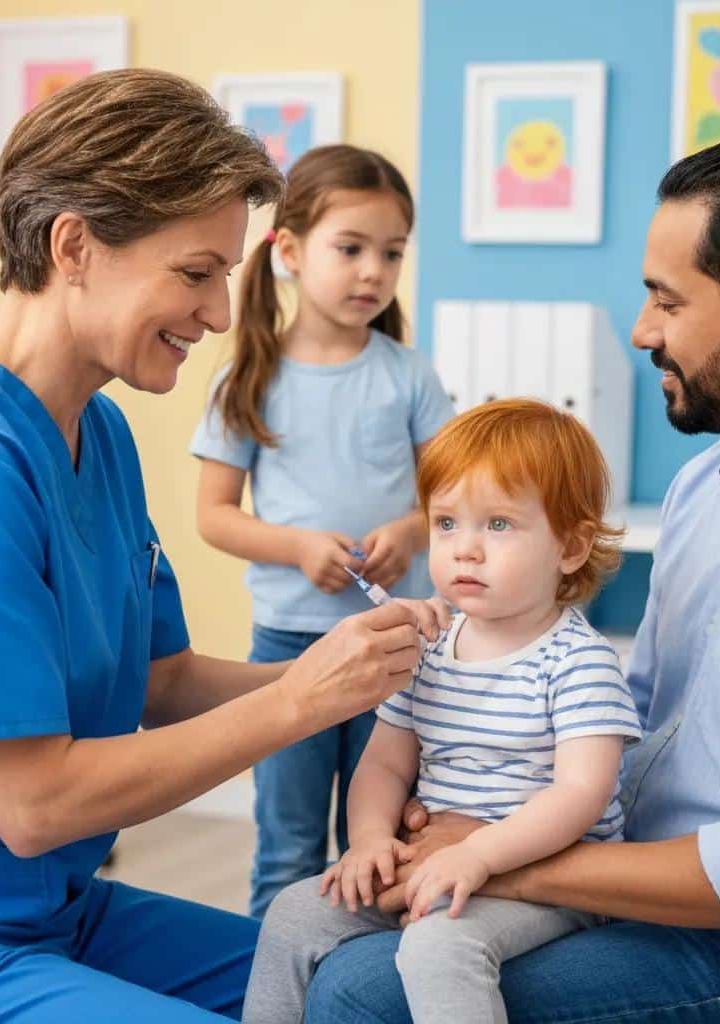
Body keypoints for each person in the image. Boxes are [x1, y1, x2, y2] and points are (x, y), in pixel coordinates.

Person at [0, 70, 431, 1024]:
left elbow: (161, 680)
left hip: (49, 908)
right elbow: (33, 805)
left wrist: (363, 675)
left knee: (371, 989)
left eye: (224, 277)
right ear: (74, 245)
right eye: (195, 273)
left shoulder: (98, 428)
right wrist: (299, 700)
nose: (218, 315)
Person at [302, 133, 720, 1023]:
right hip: (628, 879)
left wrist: (504, 857)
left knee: (362, 993)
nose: (642, 331)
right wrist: (476, 818)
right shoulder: (702, 489)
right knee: (324, 935)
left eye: (666, 299)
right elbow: (632, 729)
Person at [242, 399, 642, 1024]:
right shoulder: (427, 650)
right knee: (295, 913)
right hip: (437, 861)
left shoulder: (579, 662)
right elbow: (384, 765)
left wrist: (479, 855)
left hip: (549, 881)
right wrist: (370, 840)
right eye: (447, 523)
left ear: (570, 547)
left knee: (438, 942)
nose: (465, 550)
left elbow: (581, 795)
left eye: (499, 525)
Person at [191, 144, 454, 918]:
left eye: (392, 253)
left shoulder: (409, 375)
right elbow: (213, 515)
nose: (373, 271)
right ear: (290, 252)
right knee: (287, 845)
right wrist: (298, 547)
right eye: (351, 248)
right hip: (287, 651)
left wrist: (411, 530)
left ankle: (355, 977)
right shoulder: (248, 378)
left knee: (375, 842)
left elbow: (453, 499)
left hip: (392, 647)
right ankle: (269, 976)